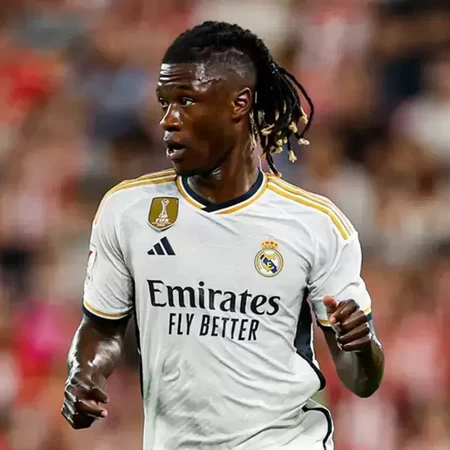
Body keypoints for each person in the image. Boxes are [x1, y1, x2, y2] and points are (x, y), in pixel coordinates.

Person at [62, 21, 384, 449]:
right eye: (164, 103)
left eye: (186, 101)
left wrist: (360, 346)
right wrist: (84, 371)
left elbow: (362, 380)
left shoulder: (317, 224)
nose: (167, 121)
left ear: (239, 103)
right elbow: (102, 329)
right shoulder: (128, 211)